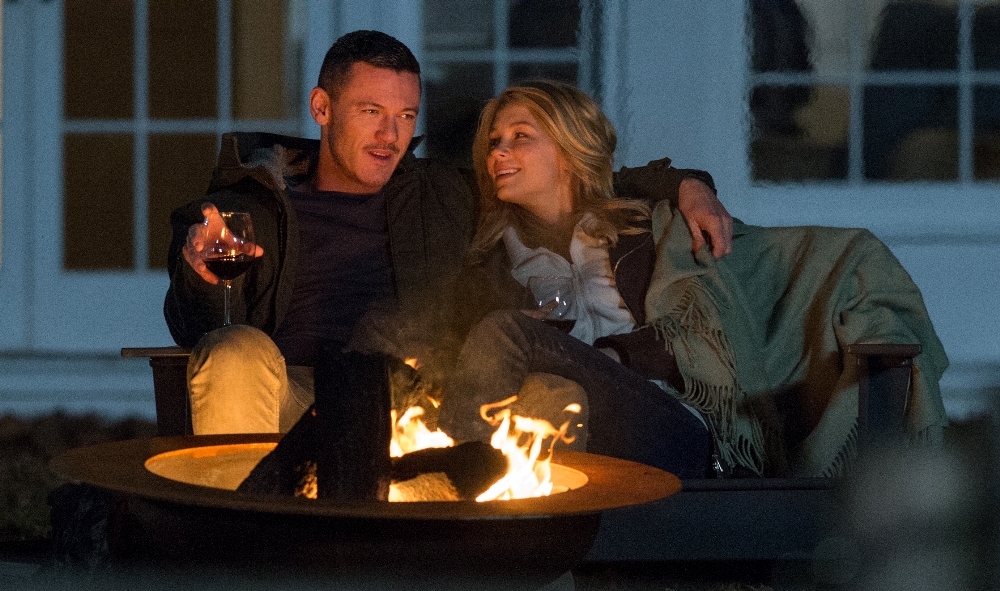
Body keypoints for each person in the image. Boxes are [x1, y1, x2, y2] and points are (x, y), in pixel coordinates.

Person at [164, 30, 733, 436]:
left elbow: (568, 175)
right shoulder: (251, 209)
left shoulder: (439, 194)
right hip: (297, 397)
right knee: (234, 352)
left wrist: (685, 185)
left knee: (553, 395)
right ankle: (246, 548)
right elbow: (197, 328)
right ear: (322, 107)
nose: (390, 135)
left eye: (406, 116)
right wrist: (200, 276)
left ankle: (503, 555)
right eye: (371, 111)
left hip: (416, 401)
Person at [434, 81, 732, 479]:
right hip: (563, 425)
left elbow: (700, 331)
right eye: (494, 142)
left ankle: (448, 479)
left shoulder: (642, 230)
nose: (498, 152)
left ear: (569, 148)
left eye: (520, 136)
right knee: (544, 384)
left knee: (508, 332)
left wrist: (613, 355)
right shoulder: (491, 264)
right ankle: (484, 487)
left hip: (667, 423)